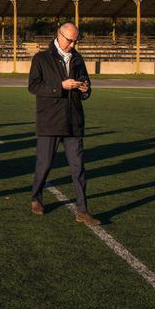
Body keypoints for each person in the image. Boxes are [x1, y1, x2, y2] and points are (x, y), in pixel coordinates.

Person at [27, 22, 100, 226]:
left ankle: (83, 210)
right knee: (44, 164)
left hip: (73, 122)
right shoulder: (41, 58)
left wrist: (85, 89)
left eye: (76, 40)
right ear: (59, 35)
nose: (73, 44)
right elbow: (33, 86)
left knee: (78, 168)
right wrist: (60, 86)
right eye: (70, 40)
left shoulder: (78, 58)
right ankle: (36, 197)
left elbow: (86, 83)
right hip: (49, 121)